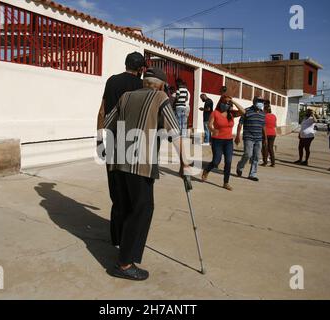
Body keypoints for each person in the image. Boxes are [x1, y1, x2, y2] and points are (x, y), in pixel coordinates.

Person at [103, 67, 189, 281]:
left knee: (125, 206)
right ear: (160, 84)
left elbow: (107, 122)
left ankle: (124, 248)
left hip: (118, 160)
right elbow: (174, 132)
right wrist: (185, 162)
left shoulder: (125, 96)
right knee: (142, 210)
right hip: (140, 164)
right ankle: (124, 264)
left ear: (144, 82)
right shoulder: (161, 97)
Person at [96, 52, 146, 252]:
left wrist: (100, 141)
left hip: (112, 142)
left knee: (117, 193)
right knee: (134, 194)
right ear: (141, 69)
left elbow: (102, 112)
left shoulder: (112, 81)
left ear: (126, 64)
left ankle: (115, 238)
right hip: (134, 145)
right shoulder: (142, 87)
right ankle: (127, 238)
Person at [201, 95, 245, 190]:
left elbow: (243, 112)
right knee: (216, 161)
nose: (225, 105)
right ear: (220, 103)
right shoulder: (215, 113)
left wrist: (233, 101)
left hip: (228, 141)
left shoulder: (231, 114)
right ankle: (206, 170)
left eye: (227, 103)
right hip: (217, 140)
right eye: (224, 102)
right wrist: (213, 130)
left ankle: (226, 182)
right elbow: (209, 125)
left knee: (228, 162)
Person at [235, 96, 267, 182]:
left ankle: (252, 174)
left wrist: (265, 138)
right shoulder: (246, 111)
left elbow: (263, 126)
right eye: (259, 101)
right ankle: (240, 166)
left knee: (256, 156)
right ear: (254, 101)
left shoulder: (263, 113)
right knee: (248, 154)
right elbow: (240, 124)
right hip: (248, 137)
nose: (261, 103)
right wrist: (237, 136)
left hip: (259, 138)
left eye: (262, 101)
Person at [261, 100, 277, 167]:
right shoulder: (274, 116)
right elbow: (275, 125)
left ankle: (265, 162)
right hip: (273, 133)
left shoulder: (263, 116)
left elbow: (262, 126)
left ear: (265, 110)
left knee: (265, 148)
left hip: (266, 133)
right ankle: (273, 163)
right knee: (271, 148)